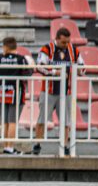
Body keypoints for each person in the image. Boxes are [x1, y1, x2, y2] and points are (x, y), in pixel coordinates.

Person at [34, 28, 85, 156]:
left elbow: (83, 67)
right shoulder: (47, 49)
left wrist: (80, 70)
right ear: (56, 39)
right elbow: (40, 66)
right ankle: (37, 144)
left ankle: (65, 145)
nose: (66, 45)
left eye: (68, 42)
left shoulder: (74, 50)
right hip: (49, 91)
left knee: (66, 121)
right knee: (42, 119)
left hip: (66, 92)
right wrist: (54, 72)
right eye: (63, 42)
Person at [0, 37, 30, 155]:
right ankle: (10, 147)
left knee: (5, 121)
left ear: (5, 47)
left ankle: (6, 146)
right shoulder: (21, 59)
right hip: (16, 91)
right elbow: (27, 73)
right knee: (12, 121)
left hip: (2, 91)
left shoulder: (0, 59)